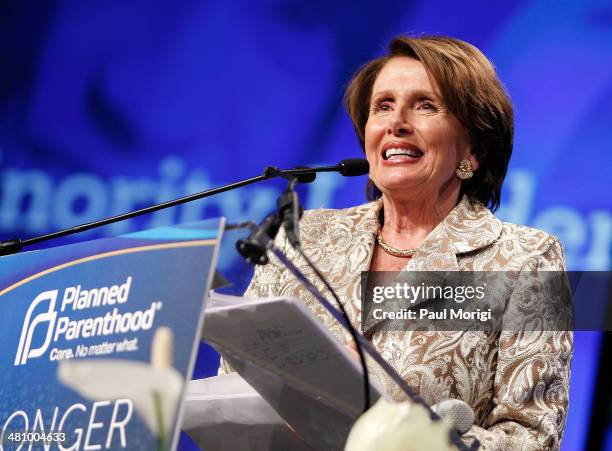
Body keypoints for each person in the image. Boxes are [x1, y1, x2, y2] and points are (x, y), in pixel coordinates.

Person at [219, 35, 572, 450]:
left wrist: (406, 434)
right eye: (382, 106)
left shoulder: (525, 258)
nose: (396, 122)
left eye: (425, 105)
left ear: (473, 149)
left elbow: (533, 436)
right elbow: (234, 381)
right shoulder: (305, 238)